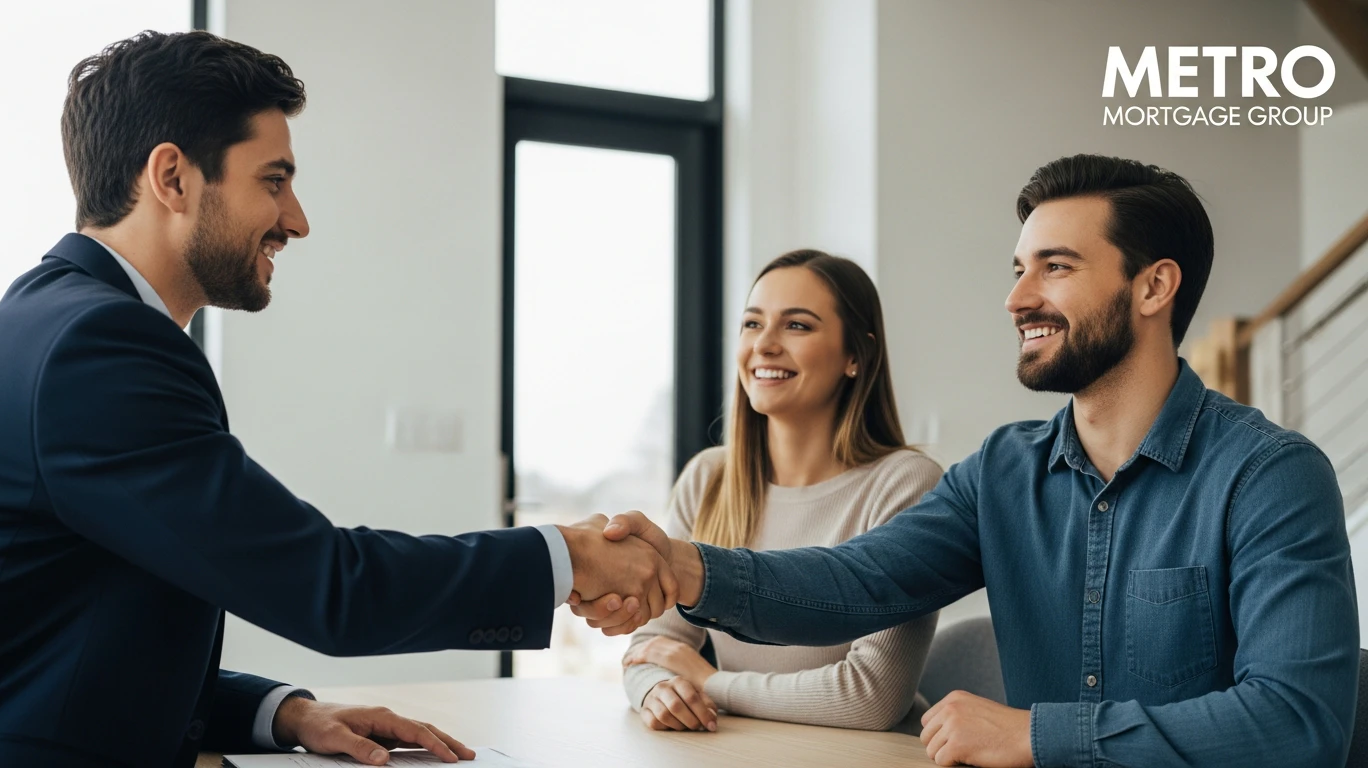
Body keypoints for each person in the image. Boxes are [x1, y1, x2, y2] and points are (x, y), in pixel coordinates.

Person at [0, 31, 674, 768]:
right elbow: (330, 588)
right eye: (273, 180)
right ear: (172, 178)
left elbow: (68, 648)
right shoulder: (98, 349)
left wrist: (287, 712)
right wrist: (567, 557)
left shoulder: (46, 327)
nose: (296, 220)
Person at [575, 155, 1360, 768]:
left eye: (1054, 267)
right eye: (1017, 269)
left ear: (1153, 287)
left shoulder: (1271, 477)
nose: (1018, 299)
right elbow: (855, 584)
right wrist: (683, 567)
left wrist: (1036, 737)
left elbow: (1296, 724)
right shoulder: (1004, 473)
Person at [620, 250, 942, 734]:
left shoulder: (905, 484)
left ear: (856, 355)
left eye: (797, 326)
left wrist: (710, 683)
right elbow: (651, 647)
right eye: (752, 324)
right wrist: (656, 689)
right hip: (749, 750)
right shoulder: (709, 477)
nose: (764, 345)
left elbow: (870, 697)